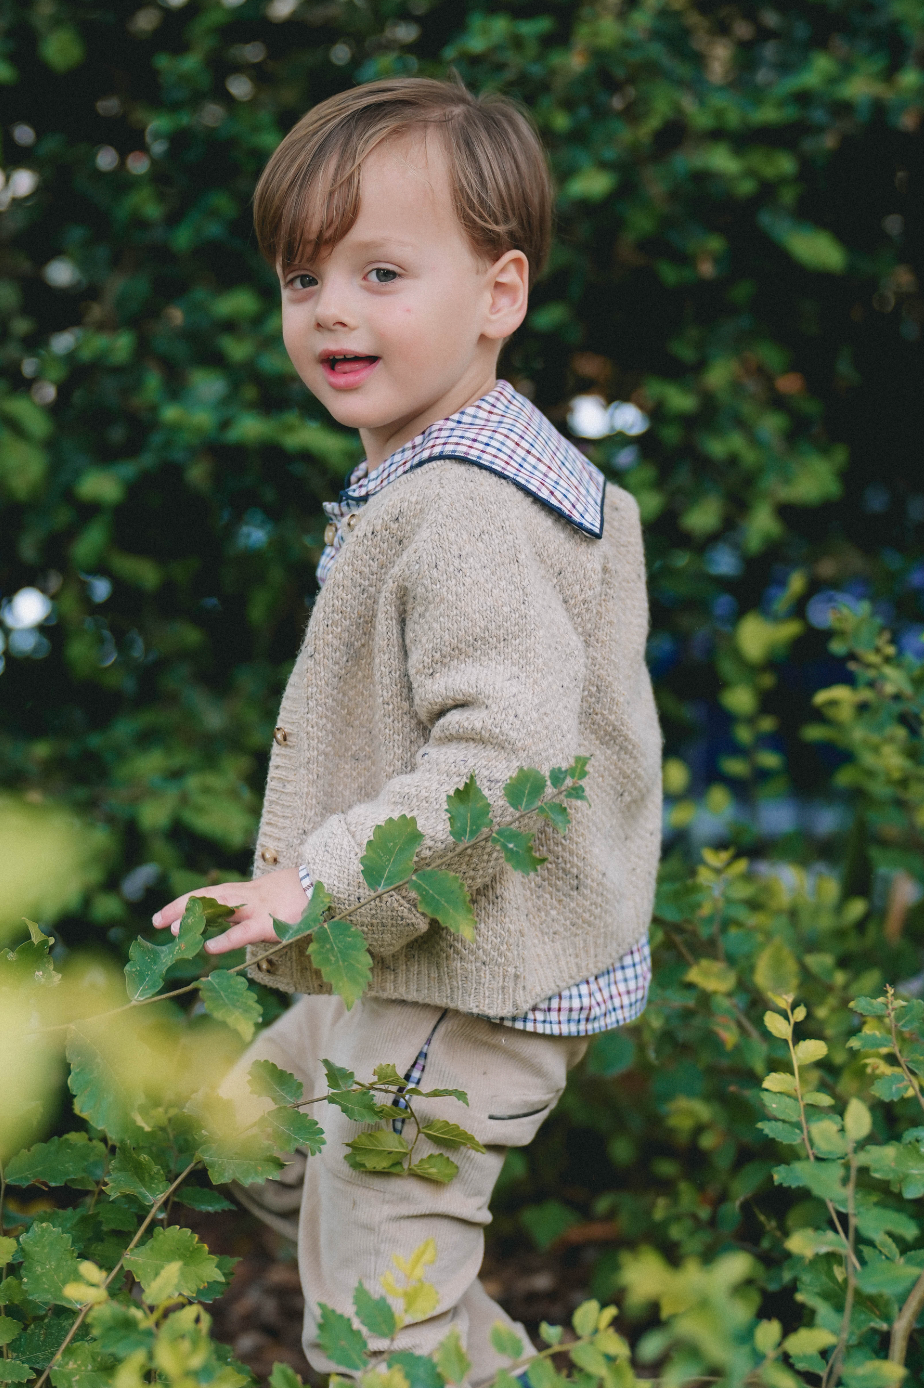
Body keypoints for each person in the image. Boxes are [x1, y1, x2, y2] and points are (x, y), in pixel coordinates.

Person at [151, 76, 662, 1383]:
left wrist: (313, 886)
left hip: (465, 983)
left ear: (501, 295)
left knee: (378, 1333)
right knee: (249, 1133)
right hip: (425, 968)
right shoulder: (468, 478)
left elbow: (506, 776)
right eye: (301, 276)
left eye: (381, 271)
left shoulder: (470, 516)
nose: (330, 308)